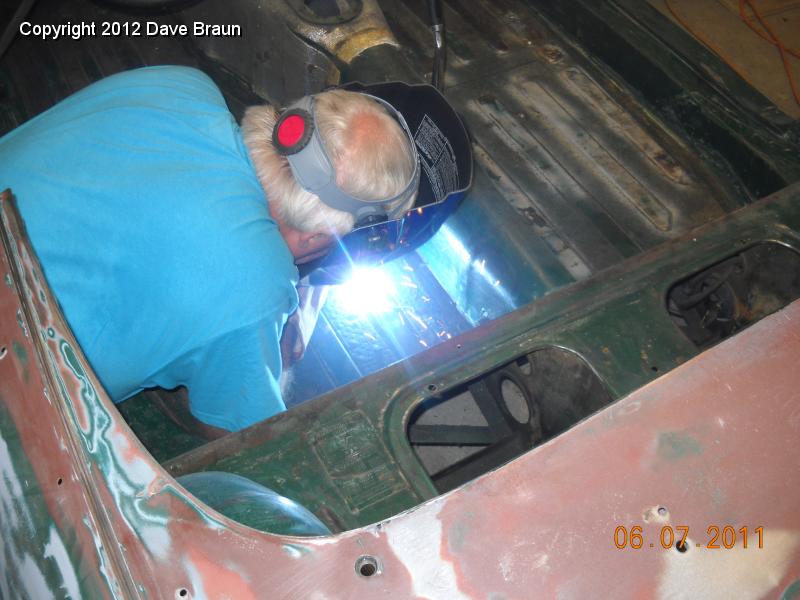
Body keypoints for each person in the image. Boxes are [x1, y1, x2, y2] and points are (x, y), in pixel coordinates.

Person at [0, 65, 417, 437]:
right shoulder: (254, 285)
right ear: (316, 237)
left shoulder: (182, 84)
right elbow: (238, 435)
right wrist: (289, 326)